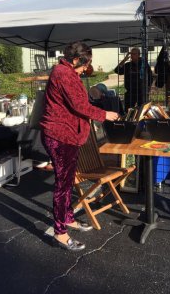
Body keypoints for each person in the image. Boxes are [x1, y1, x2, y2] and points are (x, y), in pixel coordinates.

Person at [40, 41, 119, 251]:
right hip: (59, 136)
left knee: (67, 181)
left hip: (67, 136)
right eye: (86, 64)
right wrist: (104, 115)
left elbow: (77, 104)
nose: (86, 68)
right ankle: (60, 233)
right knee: (63, 185)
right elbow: (79, 105)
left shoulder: (68, 73)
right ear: (76, 59)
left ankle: (67, 218)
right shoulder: (63, 74)